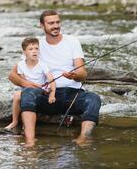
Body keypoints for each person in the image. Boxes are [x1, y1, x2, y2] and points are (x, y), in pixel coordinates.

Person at [9, 10, 101, 147]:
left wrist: (74, 76)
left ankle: (83, 138)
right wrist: (27, 84)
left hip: (72, 95)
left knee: (94, 98)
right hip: (46, 95)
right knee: (27, 93)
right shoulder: (36, 46)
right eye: (51, 23)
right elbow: (12, 75)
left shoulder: (72, 42)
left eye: (57, 22)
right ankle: (30, 140)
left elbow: (83, 74)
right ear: (42, 25)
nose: (55, 26)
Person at [5, 37, 56, 130]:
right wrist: (34, 84)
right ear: (24, 52)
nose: (34, 51)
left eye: (36, 49)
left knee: (26, 96)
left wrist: (52, 95)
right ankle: (14, 121)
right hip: (28, 89)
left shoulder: (42, 64)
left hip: (41, 91)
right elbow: (24, 81)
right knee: (17, 96)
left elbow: (52, 80)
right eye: (30, 49)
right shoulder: (21, 64)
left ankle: (26, 125)